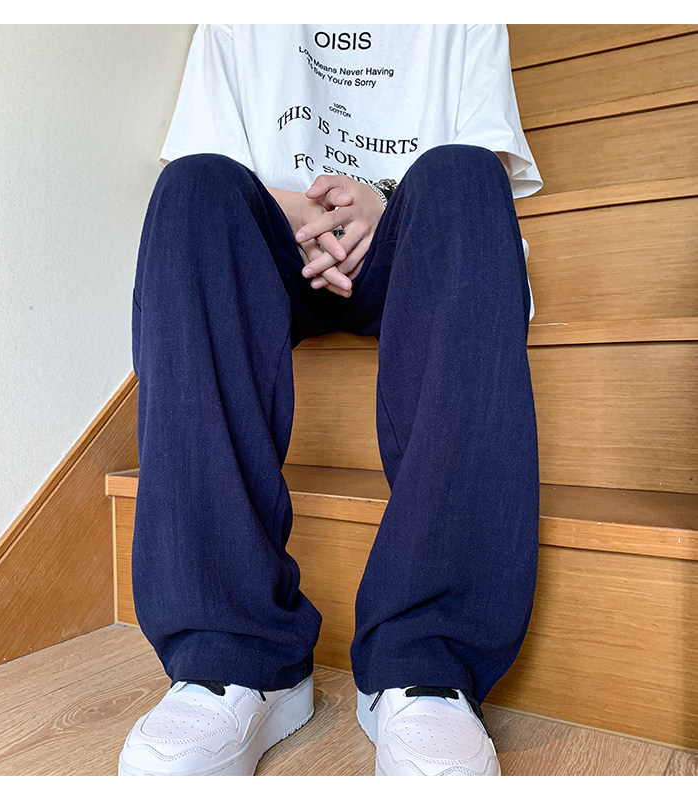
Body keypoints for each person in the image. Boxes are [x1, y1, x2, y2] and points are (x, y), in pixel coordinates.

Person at [119, 23, 542, 777]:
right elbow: (208, 161)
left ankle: (427, 663)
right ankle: (231, 655)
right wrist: (296, 215)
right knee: (192, 190)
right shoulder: (233, 21)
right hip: (273, 243)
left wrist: (381, 204)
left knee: (465, 175)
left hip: (404, 239)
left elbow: (490, 165)